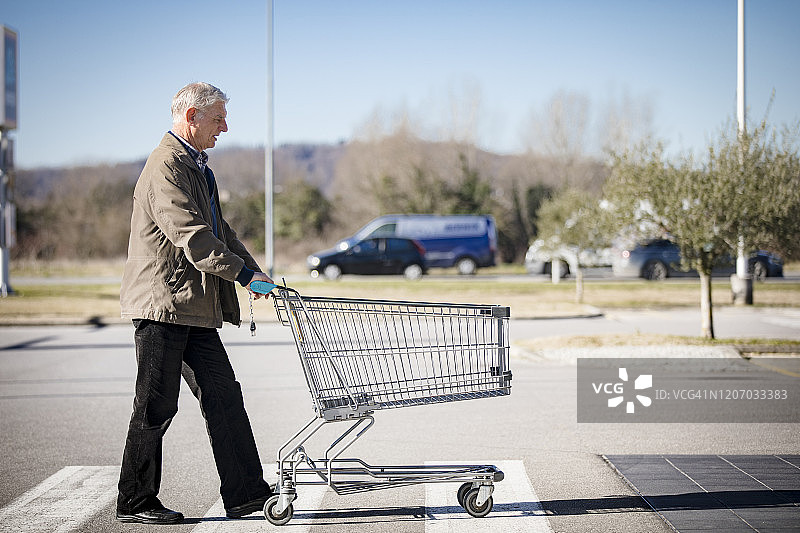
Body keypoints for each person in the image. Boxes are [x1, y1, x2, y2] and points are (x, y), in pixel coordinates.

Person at [117, 82, 273, 524]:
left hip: (194, 308)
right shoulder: (166, 166)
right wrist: (241, 276)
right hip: (162, 306)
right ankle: (135, 499)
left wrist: (255, 272)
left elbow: (221, 232)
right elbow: (193, 237)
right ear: (191, 117)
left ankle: (245, 493)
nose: (225, 126)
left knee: (224, 396)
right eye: (218, 118)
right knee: (155, 405)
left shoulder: (197, 166)